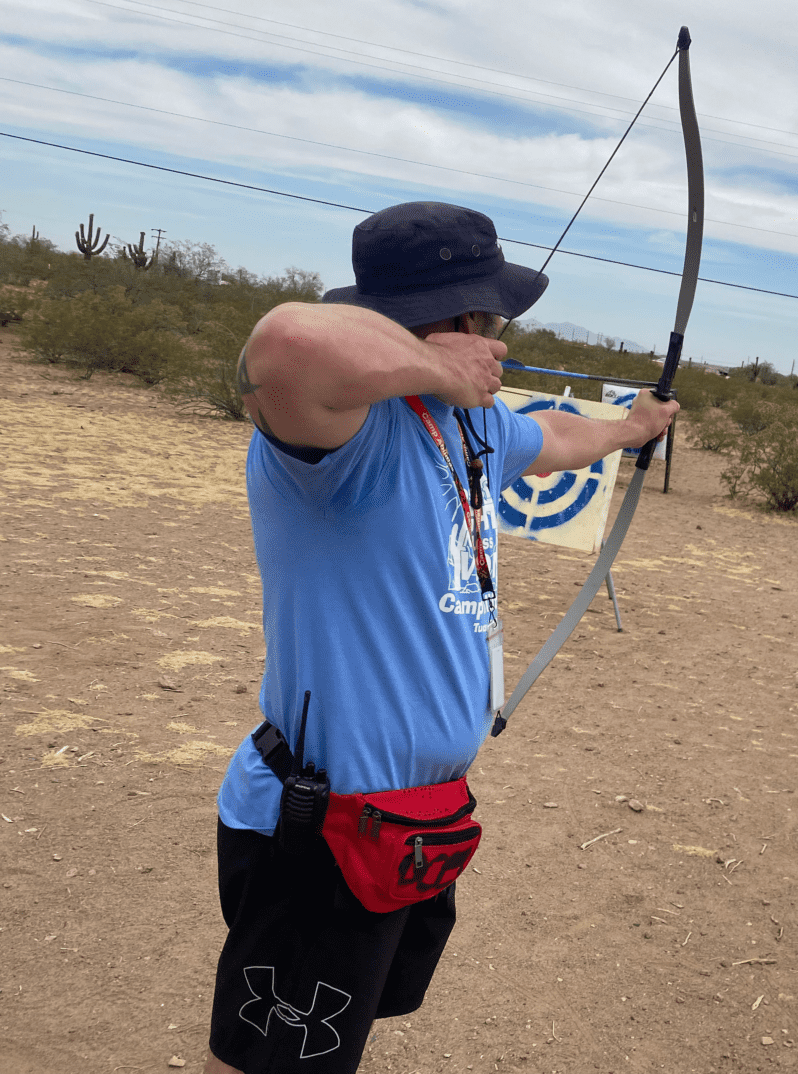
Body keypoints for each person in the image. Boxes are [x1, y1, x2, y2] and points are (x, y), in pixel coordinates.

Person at [204, 201, 677, 1074]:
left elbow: (551, 438)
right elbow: (279, 348)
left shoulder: (461, 421)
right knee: (271, 1057)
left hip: (412, 824)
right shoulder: (339, 434)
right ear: (461, 317)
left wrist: (628, 429)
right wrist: (431, 362)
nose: (499, 333)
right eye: (490, 315)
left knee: (328, 1039)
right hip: (325, 824)